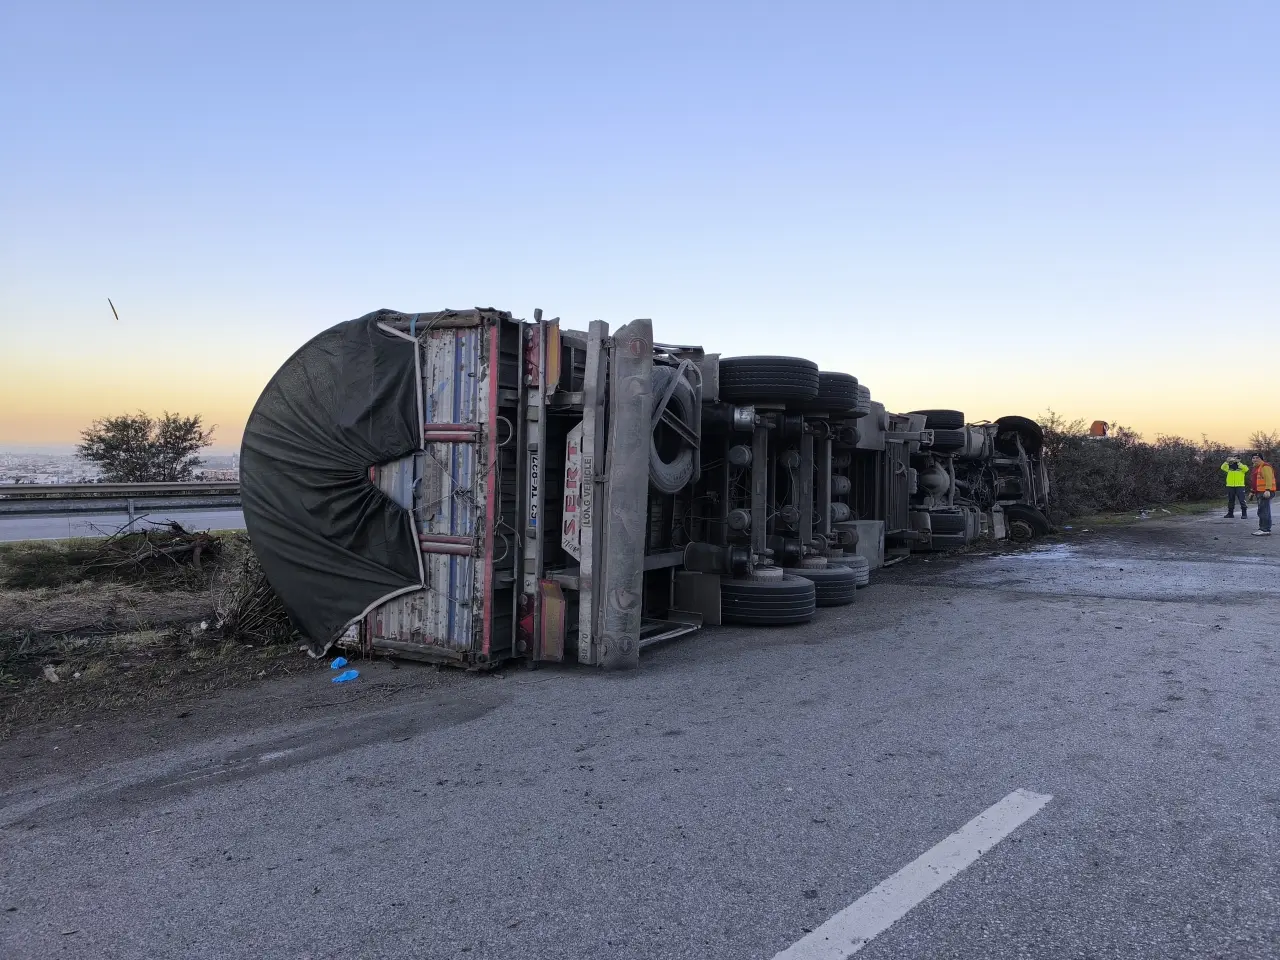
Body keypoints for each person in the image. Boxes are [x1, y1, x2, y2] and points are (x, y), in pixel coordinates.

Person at [1249, 454, 1276, 536]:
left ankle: (1264, 529)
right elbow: (1255, 482)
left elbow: (1268, 479)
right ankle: (1264, 528)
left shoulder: (1265, 466)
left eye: (1257, 458)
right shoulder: (1256, 468)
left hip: (1265, 492)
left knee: (1264, 511)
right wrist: (1252, 492)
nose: (1255, 459)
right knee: (1262, 510)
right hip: (1259, 492)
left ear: (1261, 459)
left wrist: (1267, 490)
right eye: (1253, 458)